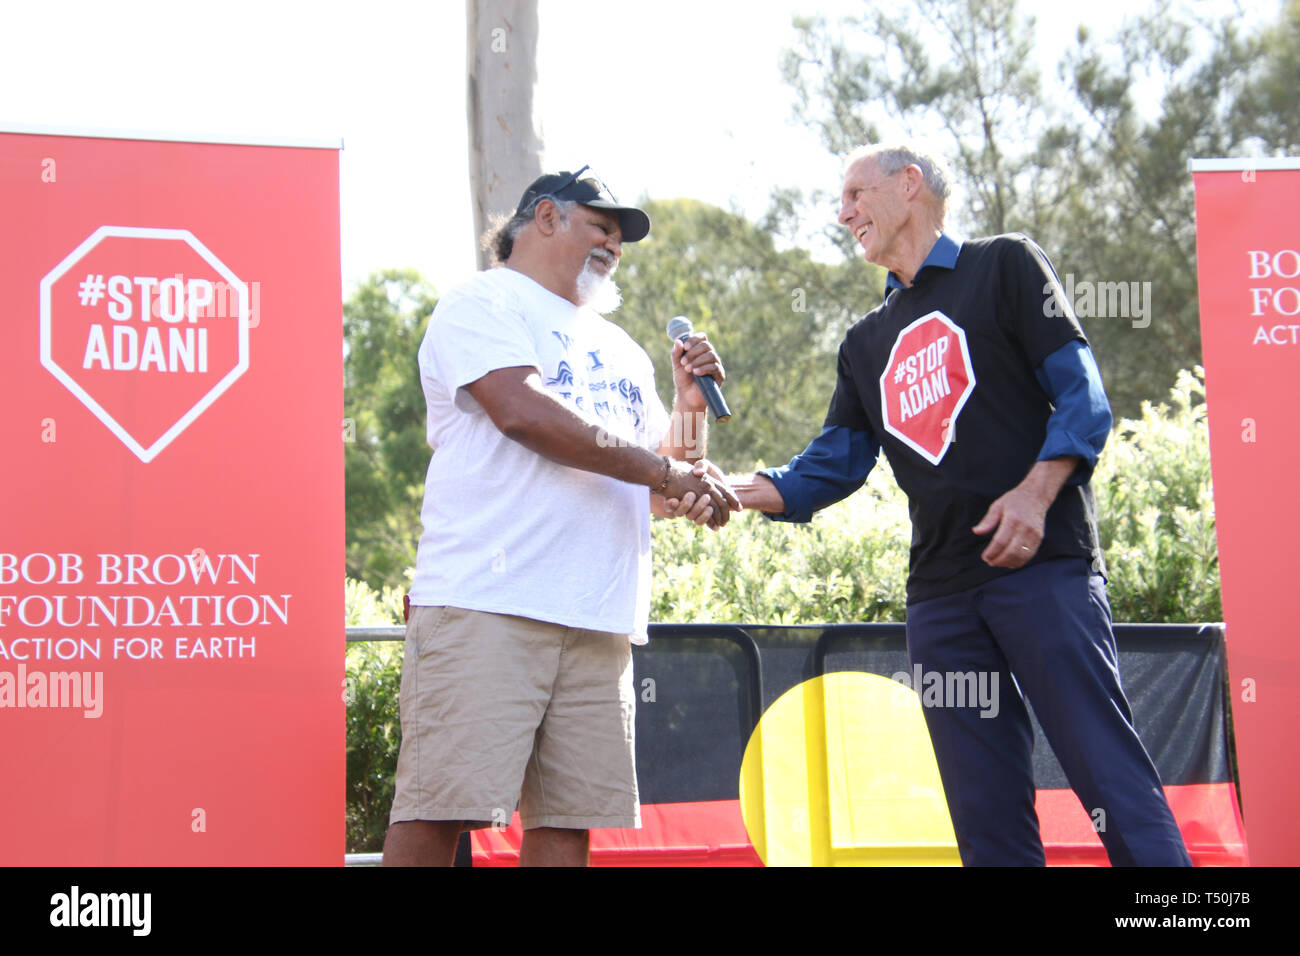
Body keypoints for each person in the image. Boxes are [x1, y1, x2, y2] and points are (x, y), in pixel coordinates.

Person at [729, 143, 1191, 866]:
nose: (842, 212)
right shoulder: (864, 344)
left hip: (1044, 569)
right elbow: (833, 464)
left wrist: (1037, 495)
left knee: (1109, 774)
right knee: (983, 812)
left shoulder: (1004, 265)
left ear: (909, 185)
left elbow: (1083, 395)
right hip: (942, 601)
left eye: (856, 193)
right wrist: (722, 490)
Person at [382, 168, 739, 867]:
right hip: (487, 605)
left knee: (568, 825)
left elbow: (658, 485)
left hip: (599, 618)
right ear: (543, 217)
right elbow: (524, 414)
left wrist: (690, 405)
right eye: (598, 225)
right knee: (441, 810)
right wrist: (667, 471)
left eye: (620, 237)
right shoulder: (481, 303)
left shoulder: (623, 348)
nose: (613, 243)